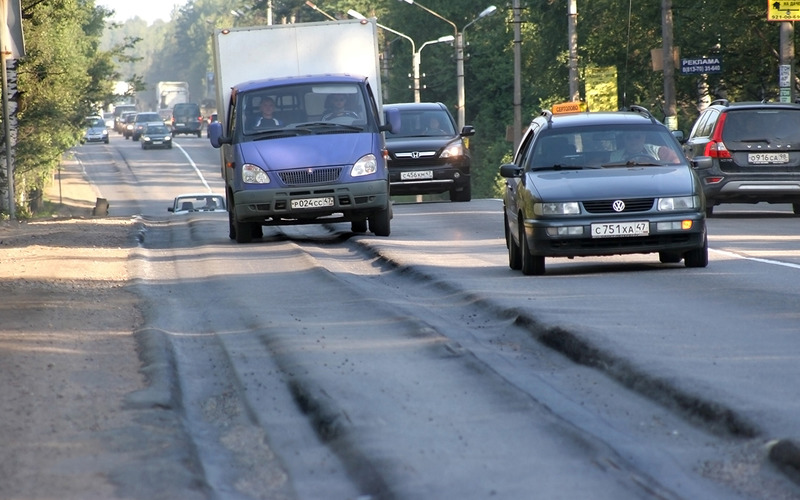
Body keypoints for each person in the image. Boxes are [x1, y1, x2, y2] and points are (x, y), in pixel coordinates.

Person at [609, 132, 678, 163]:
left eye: (637, 137)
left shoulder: (660, 151)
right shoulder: (614, 156)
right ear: (623, 139)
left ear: (644, 137)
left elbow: (676, 166)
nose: (633, 140)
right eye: (628, 137)